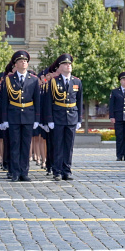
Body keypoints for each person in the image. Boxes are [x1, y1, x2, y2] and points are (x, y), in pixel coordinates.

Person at [1, 50, 41, 181]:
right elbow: (4, 100)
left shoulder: (33, 80)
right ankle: (15, 172)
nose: (23, 63)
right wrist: (4, 119)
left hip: (28, 115)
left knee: (25, 145)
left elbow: (37, 100)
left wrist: (37, 118)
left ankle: (24, 172)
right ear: (15, 64)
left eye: (25, 61)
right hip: (13, 115)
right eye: (20, 61)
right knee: (14, 145)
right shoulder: (8, 80)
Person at [45, 53, 83, 181]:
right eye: (65, 64)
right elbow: (49, 101)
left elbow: (79, 101)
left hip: (72, 116)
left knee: (69, 146)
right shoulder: (54, 81)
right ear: (60, 67)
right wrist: (49, 119)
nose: (68, 66)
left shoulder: (77, 81)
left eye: (69, 64)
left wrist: (79, 119)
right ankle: (57, 171)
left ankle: (67, 170)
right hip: (58, 116)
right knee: (57, 145)